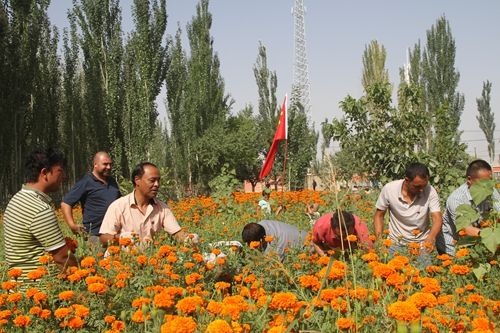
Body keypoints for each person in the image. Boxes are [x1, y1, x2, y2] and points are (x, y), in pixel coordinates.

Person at [3, 148, 78, 284]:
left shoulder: (17, 199)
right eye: (60, 171)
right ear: (44, 173)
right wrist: (80, 277)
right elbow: (62, 257)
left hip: (21, 286)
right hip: (40, 289)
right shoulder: (39, 209)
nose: (64, 176)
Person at [99, 162, 197, 246]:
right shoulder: (118, 206)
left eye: (158, 180)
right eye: (152, 180)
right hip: (124, 261)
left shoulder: (162, 208)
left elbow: (177, 233)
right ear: (137, 180)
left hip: (151, 260)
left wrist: (190, 239)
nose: (157, 184)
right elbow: (103, 237)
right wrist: (121, 238)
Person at [373, 162, 442, 257]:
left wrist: (431, 237)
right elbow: (379, 216)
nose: (421, 190)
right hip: (395, 243)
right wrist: (379, 241)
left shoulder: (430, 191)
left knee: (424, 271)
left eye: (424, 185)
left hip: (421, 245)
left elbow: (437, 218)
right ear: (407, 180)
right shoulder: (389, 189)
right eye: (417, 186)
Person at [436, 159, 500, 256]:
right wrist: (491, 235)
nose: (487, 186)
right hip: (454, 246)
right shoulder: (456, 199)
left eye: (489, 181)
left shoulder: (491, 191)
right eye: (483, 182)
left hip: (478, 243)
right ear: (469, 180)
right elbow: (467, 230)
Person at [61, 152, 121, 245]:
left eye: (110, 164)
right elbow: (66, 203)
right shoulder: (86, 182)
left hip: (113, 233)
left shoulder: (112, 181)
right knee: (97, 259)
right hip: (95, 235)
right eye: (105, 164)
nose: (109, 167)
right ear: (95, 164)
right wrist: (72, 225)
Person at [241, 220, 307, 260]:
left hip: (307, 245)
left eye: (255, 246)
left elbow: (276, 265)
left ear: (262, 240)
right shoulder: (261, 225)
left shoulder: (277, 245)